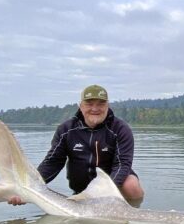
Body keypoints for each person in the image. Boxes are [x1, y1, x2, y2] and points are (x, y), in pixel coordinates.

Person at [9, 85, 144, 205]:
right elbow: (53, 162)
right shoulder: (66, 130)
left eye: (101, 104)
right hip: (81, 188)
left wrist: (104, 192)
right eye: (89, 104)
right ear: (80, 106)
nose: (95, 109)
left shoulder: (120, 129)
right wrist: (28, 188)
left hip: (111, 187)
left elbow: (122, 165)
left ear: (107, 106)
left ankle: (128, 212)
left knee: (131, 185)